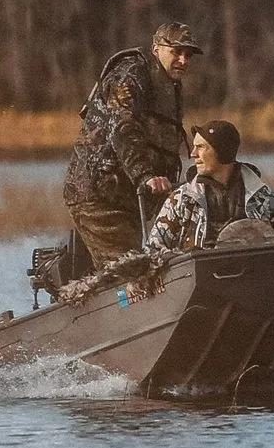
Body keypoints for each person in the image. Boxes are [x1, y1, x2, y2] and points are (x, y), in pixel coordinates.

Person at [62, 17, 200, 269]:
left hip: (127, 196)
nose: (183, 60)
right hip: (98, 197)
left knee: (158, 262)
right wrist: (145, 174)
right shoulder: (131, 74)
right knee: (130, 274)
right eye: (176, 52)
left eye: (188, 55)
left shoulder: (168, 83)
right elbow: (122, 126)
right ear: (156, 49)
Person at [147, 118, 274, 250]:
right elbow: (152, 253)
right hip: (200, 281)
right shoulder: (182, 200)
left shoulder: (266, 199)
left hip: (256, 279)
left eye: (200, 147)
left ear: (222, 152)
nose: (193, 154)